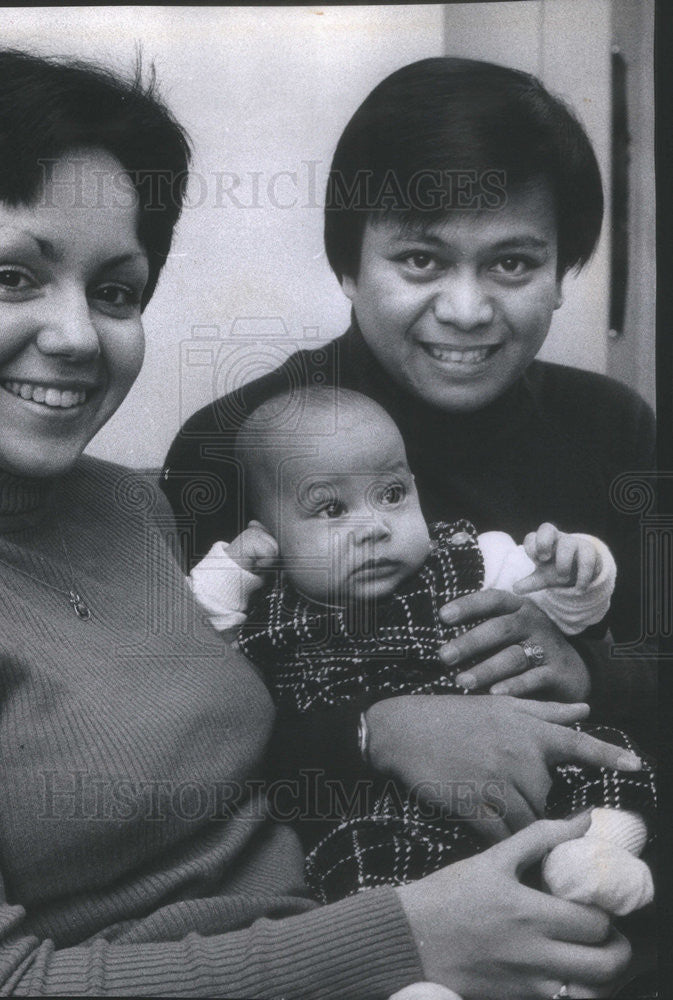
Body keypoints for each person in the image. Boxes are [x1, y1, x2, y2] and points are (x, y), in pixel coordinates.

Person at [0, 47, 636, 1000]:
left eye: (114, 290)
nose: (73, 335)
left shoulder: (125, 507)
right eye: (12, 276)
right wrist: (403, 929)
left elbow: (253, 765)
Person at [161, 57, 658, 848]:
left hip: (602, 862)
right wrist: (374, 730)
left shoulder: (612, 427)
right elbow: (170, 729)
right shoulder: (236, 444)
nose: (465, 310)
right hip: (361, 896)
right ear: (348, 266)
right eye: (420, 260)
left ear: (562, 274)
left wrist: (590, 668)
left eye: (512, 263)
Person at [188, 386, 655, 913]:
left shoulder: (472, 557)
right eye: (331, 508)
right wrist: (233, 566)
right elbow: (195, 644)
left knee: (609, 760)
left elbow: (571, 611)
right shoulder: (269, 614)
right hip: (378, 806)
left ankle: (595, 857)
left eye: (391, 495)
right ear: (268, 535)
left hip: (519, 760)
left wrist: (579, 568)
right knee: (358, 866)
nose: (375, 528)